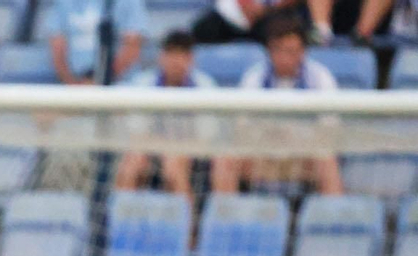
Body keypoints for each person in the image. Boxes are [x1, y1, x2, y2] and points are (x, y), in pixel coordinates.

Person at [214, 21, 344, 194]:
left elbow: (330, 128)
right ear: (269, 50)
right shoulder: (255, 77)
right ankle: (225, 216)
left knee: (327, 161)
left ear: (302, 51)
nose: (283, 57)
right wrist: (268, 136)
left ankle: (333, 217)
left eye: (290, 51)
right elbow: (242, 127)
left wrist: (298, 137)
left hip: (303, 158)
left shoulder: (320, 78)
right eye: (278, 50)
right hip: (264, 156)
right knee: (225, 160)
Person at [114, 31, 218, 198]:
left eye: (182, 55)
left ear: (191, 59)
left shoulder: (205, 87)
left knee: (174, 165)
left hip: (191, 152)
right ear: (161, 57)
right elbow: (136, 135)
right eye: (171, 54)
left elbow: (206, 139)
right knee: (131, 163)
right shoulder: (143, 84)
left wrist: (176, 149)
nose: (176, 61)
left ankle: (189, 223)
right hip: (151, 150)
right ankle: (120, 220)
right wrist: (164, 146)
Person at [46, 0, 148, 84]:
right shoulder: (64, 3)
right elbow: (57, 49)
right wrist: (73, 84)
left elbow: (132, 47)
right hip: (73, 87)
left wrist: (99, 82)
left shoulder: (129, 2)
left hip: (120, 86)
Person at [191, 0, 331, 43]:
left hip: (269, 16)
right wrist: (245, 6)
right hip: (229, 15)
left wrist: (266, 8)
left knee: (284, 34)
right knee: (202, 29)